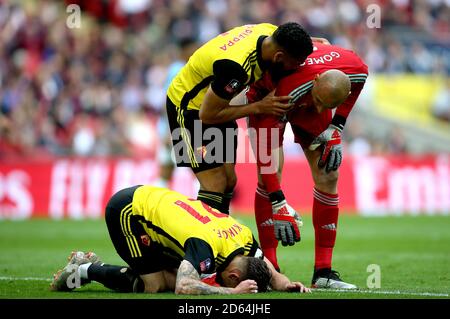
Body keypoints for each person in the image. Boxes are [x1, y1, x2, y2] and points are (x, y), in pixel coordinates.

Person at [247, 42, 369, 288]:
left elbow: (357, 84)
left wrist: (337, 126)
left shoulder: (357, 68)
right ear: (315, 83)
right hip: (268, 98)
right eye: (320, 101)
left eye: (329, 105)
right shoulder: (284, 92)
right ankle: (271, 269)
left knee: (329, 174)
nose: (322, 109)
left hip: (308, 93)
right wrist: (280, 204)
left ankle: (323, 272)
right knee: (270, 174)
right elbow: (266, 157)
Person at [166, 22, 319, 216]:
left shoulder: (269, 32)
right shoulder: (236, 69)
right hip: (187, 109)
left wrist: (315, 44)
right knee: (215, 184)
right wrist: (259, 106)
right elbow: (208, 115)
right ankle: (203, 241)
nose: (295, 68)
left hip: (218, 102)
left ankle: (220, 235)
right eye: (295, 63)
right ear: (279, 56)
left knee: (229, 181)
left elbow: (288, 38)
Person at [50, 185, 311, 294]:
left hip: (155, 202)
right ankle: (83, 269)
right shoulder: (205, 247)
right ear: (233, 276)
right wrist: (231, 292)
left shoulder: (244, 239)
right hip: (128, 211)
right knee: (155, 285)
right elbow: (184, 287)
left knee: (172, 274)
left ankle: (87, 267)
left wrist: (287, 284)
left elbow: (265, 266)